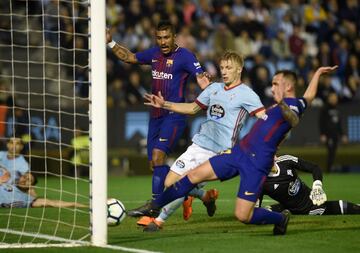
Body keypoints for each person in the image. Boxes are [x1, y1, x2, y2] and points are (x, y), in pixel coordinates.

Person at [127, 65, 338, 236]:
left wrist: (281, 102)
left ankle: (280, 218)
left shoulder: (291, 105)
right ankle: (154, 206)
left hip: (257, 163)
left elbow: (293, 119)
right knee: (192, 175)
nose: (272, 87)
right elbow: (309, 97)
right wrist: (318, 73)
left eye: (276, 83)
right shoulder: (299, 101)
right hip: (239, 152)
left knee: (243, 215)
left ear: (288, 86)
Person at [142, 51, 265, 231]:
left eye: (228, 67)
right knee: (169, 183)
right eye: (222, 67)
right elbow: (192, 108)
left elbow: (263, 119)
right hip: (199, 145)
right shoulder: (213, 88)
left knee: (182, 184)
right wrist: (165, 104)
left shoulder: (247, 95)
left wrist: (264, 144)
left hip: (220, 152)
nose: (224, 71)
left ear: (239, 70)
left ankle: (159, 221)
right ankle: (205, 196)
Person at [106, 20, 211, 224]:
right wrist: (110, 43)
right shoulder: (154, 54)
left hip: (174, 115)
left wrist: (204, 83)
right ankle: (199, 194)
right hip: (155, 115)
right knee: (155, 164)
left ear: (174, 37)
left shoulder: (185, 56)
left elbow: (200, 76)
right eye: (159, 38)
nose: (163, 42)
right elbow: (130, 57)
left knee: (158, 155)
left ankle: (153, 208)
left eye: (166, 37)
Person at [261, 154, 360, 215]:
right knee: (265, 212)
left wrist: (317, 186)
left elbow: (314, 167)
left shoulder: (286, 161)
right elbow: (252, 209)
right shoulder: (260, 182)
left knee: (346, 208)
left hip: (310, 204)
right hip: (291, 209)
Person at [0, 171, 86, 208]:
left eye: (28, 180)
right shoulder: (6, 183)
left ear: (31, 186)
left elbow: (52, 203)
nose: (24, 180)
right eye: (24, 177)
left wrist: (78, 205)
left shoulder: (28, 199)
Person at [319, 92, 348, 172]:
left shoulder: (337, 109)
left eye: (336, 98)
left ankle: (330, 169)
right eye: (333, 98)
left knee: (333, 152)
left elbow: (339, 124)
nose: (335, 99)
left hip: (336, 135)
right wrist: (322, 134)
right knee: (331, 151)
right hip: (328, 135)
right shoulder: (324, 109)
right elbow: (321, 122)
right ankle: (328, 170)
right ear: (329, 98)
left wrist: (343, 135)